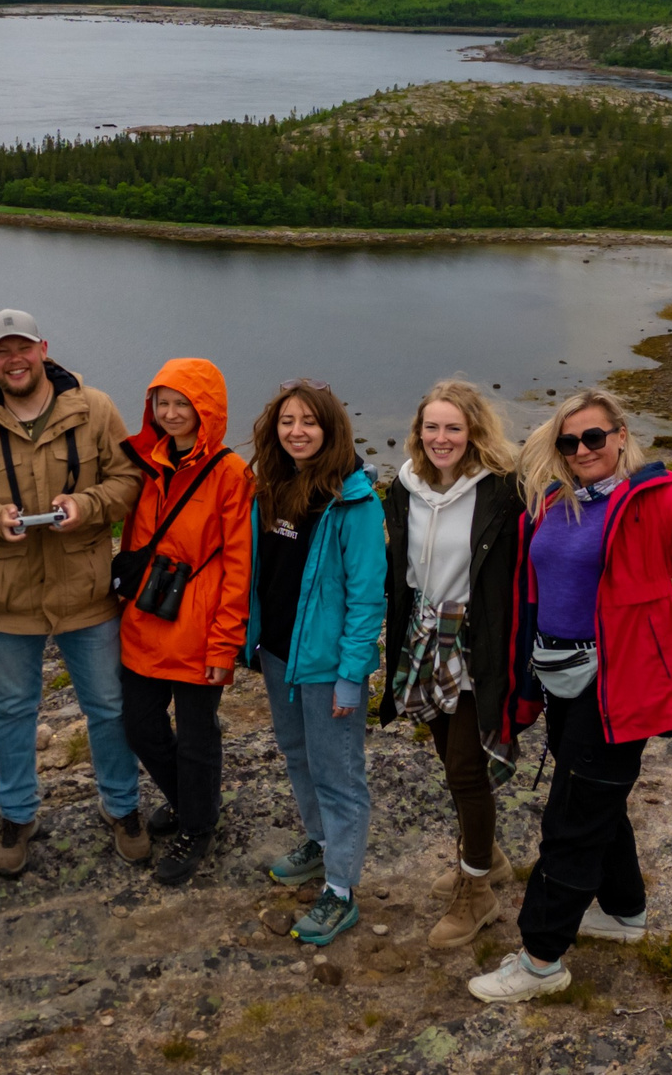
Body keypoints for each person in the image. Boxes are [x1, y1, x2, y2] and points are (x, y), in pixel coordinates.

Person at [469, 351, 672, 1004]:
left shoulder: (654, 505)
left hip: (617, 686)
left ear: (621, 436)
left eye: (594, 437)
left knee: (572, 819)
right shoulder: (551, 501)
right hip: (562, 679)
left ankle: (542, 960)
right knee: (596, 800)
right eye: (569, 441)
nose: (581, 449)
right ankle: (625, 911)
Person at [0, 309, 149, 876]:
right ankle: (16, 816)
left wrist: (87, 506)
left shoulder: (94, 408)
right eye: (2, 352)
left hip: (86, 590)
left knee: (107, 705)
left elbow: (129, 480)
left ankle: (122, 807)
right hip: (5, 598)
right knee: (12, 711)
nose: (15, 360)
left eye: (22, 347)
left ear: (43, 348)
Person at [379, 380, 522, 950]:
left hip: (475, 639)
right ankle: (487, 856)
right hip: (421, 635)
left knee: (466, 766)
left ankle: (478, 893)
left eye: (453, 428)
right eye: (431, 427)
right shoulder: (404, 490)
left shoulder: (504, 492)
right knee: (448, 757)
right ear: (418, 432)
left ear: (474, 432)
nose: (440, 438)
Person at [244, 379, 384, 946]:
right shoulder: (274, 486)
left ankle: (341, 891)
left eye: (308, 421)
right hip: (280, 655)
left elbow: (367, 596)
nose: (297, 431)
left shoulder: (353, 501)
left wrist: (352, 675)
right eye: (287, 421)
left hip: (328, 666)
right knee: (298, 754)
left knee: (339, 774)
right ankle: (320, 841)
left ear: (330, 428)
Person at [116, 359, 254, 886]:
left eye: (183, 404)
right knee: (140, 724)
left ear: (207, 410)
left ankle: (198, 825)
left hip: (198, 627)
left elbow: (238, 567)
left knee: (197, 738)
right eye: (162, 403)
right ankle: (188, 799)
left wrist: (224, 646)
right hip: (147, 618)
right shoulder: (147, 464)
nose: (171, 414)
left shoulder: (230, 475)